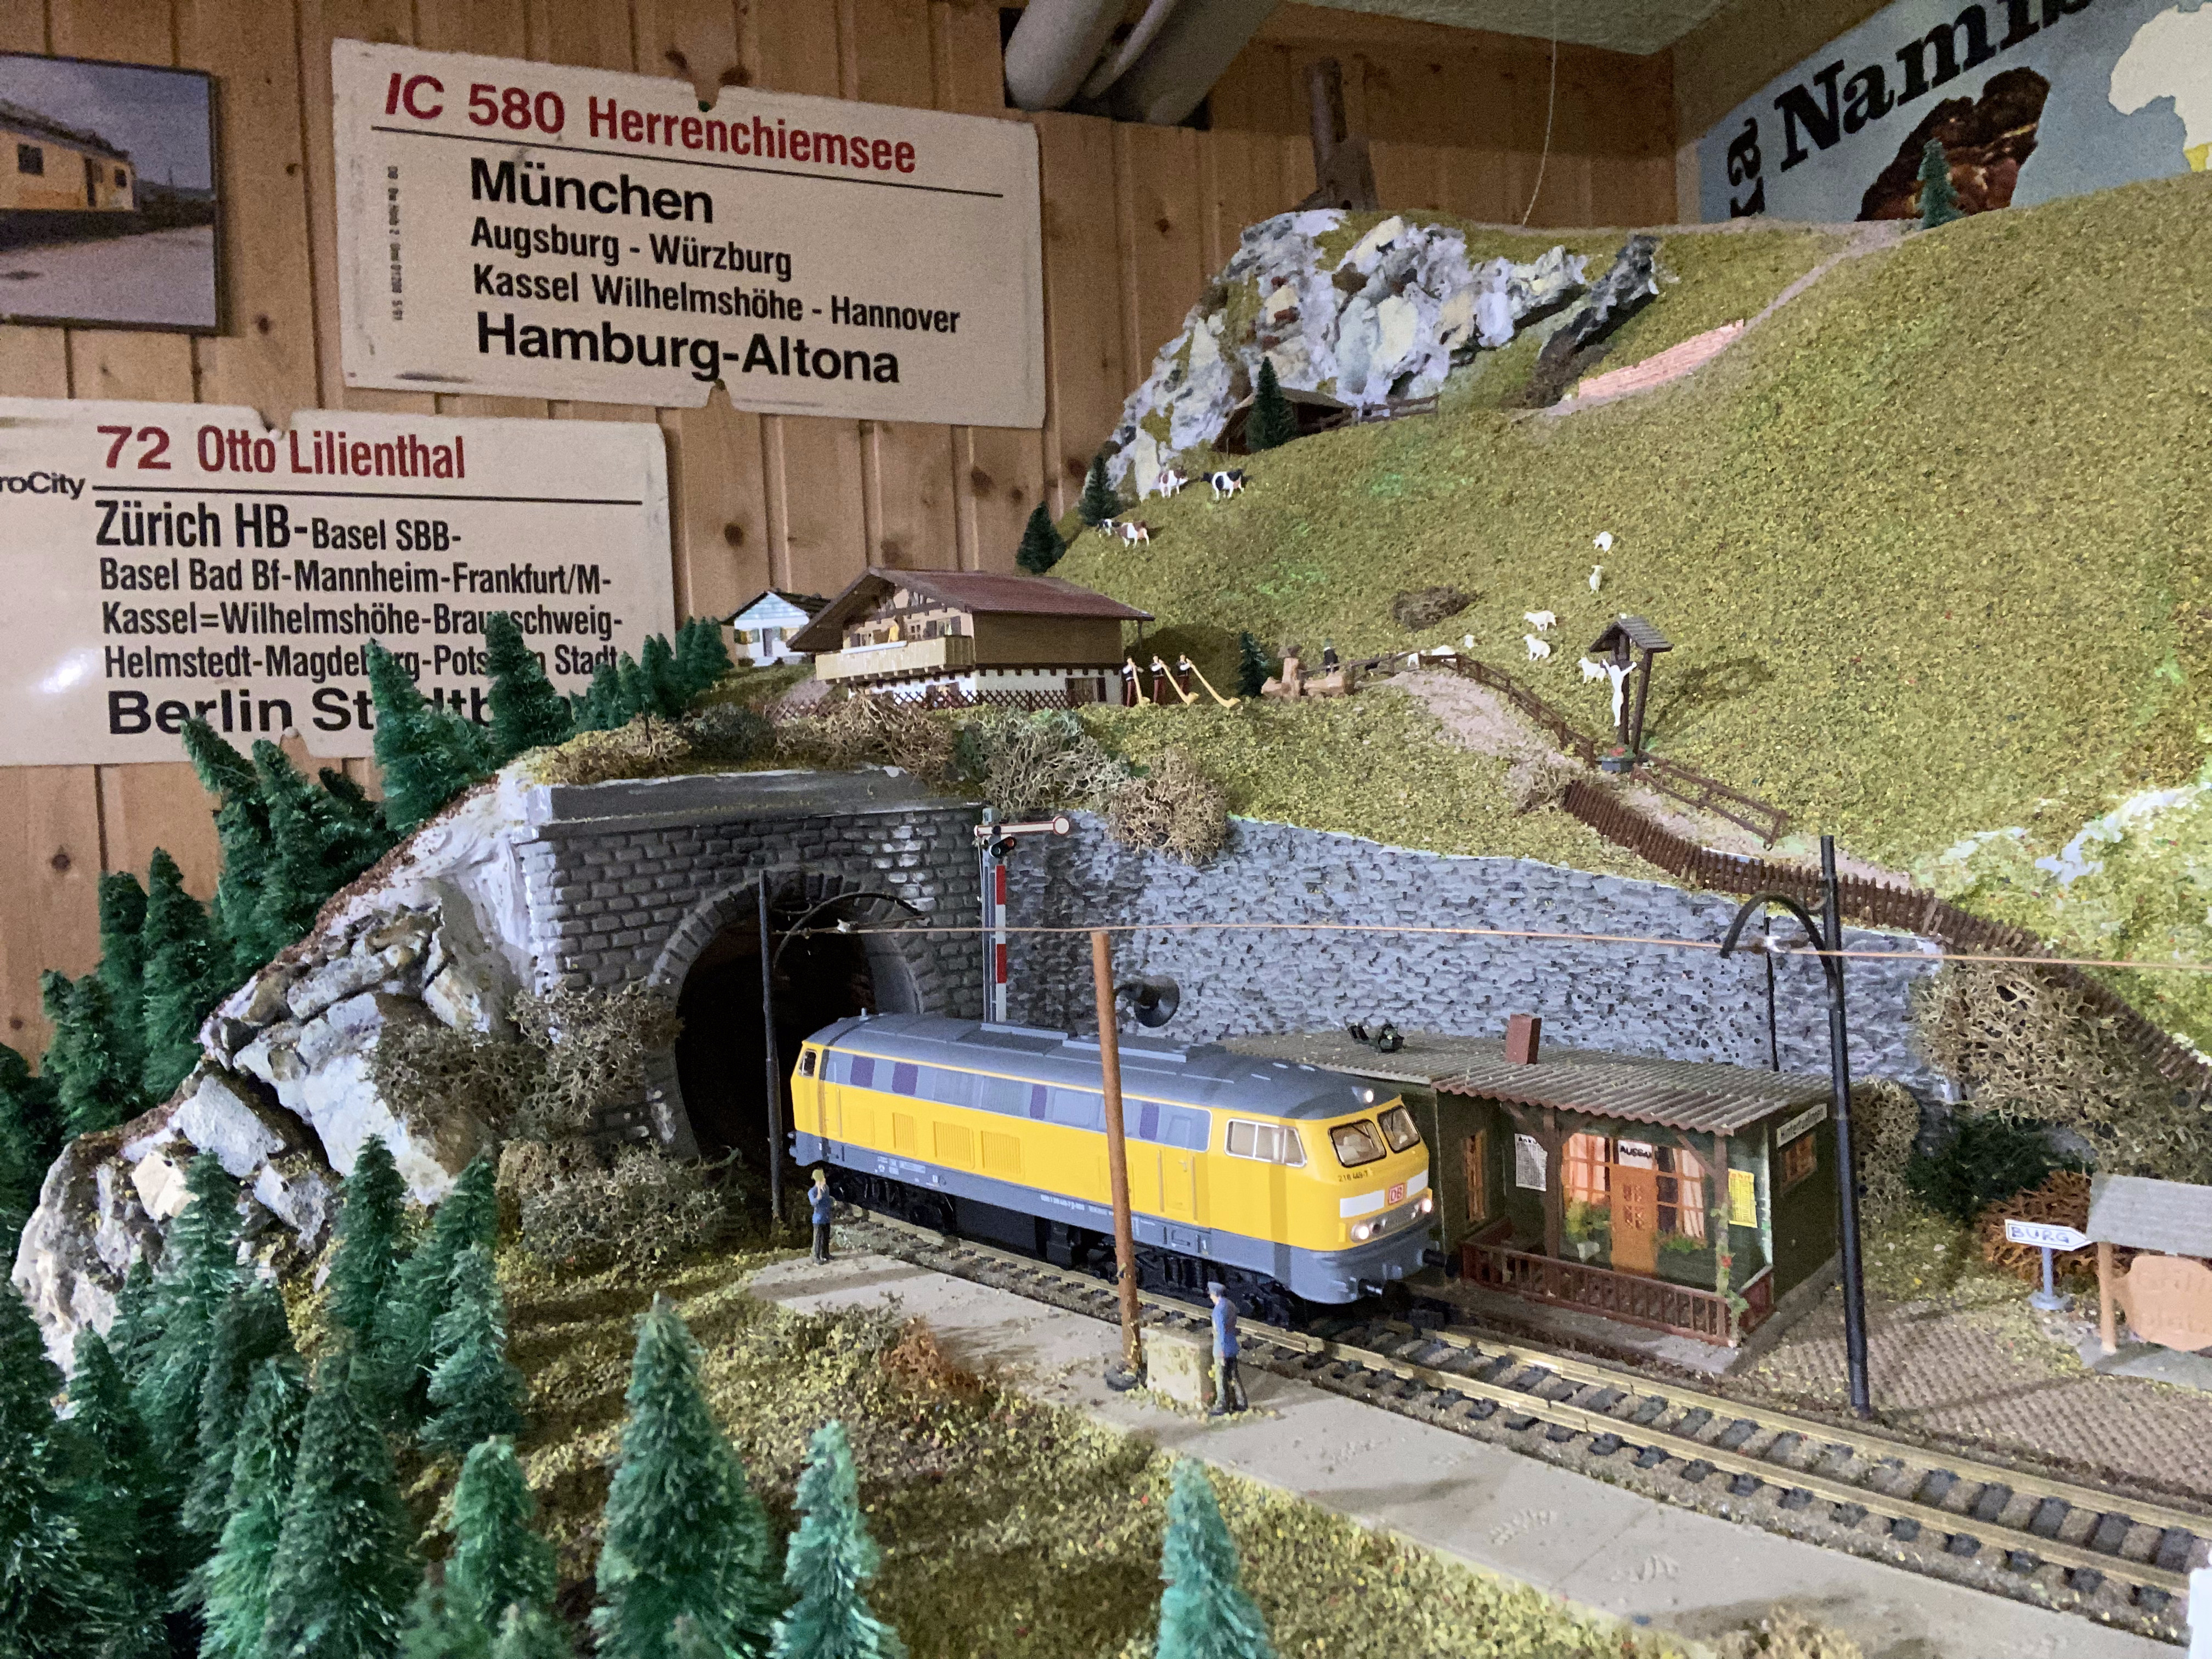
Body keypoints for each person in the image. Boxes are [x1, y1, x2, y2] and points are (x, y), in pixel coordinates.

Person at [1207, 1282, 1247, 1415]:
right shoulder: (1230, 1305)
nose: (1210, 1297)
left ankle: (1222, 1405)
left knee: (1221, 1377)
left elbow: (1221, 1333)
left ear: (1215, 1294)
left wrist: (1222, 1352)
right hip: (1232, 1346)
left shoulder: (1218, 1311)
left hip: (1222, 1350)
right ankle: (1241, 1402)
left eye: (1211, 1295)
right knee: (1234, 1375)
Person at [809, 1168, 834, 1263]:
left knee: (826, 1237)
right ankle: (816, 1256)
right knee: (818, 1239)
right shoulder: (812, 1192)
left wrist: (832, 1202)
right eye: (823, 1177)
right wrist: (819, 1196)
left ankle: (825, 1254)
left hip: (826, 1217)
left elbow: (827, 1200)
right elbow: (813, 1202)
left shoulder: (826, 1188)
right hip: (818, 1219)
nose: (824, 1179)